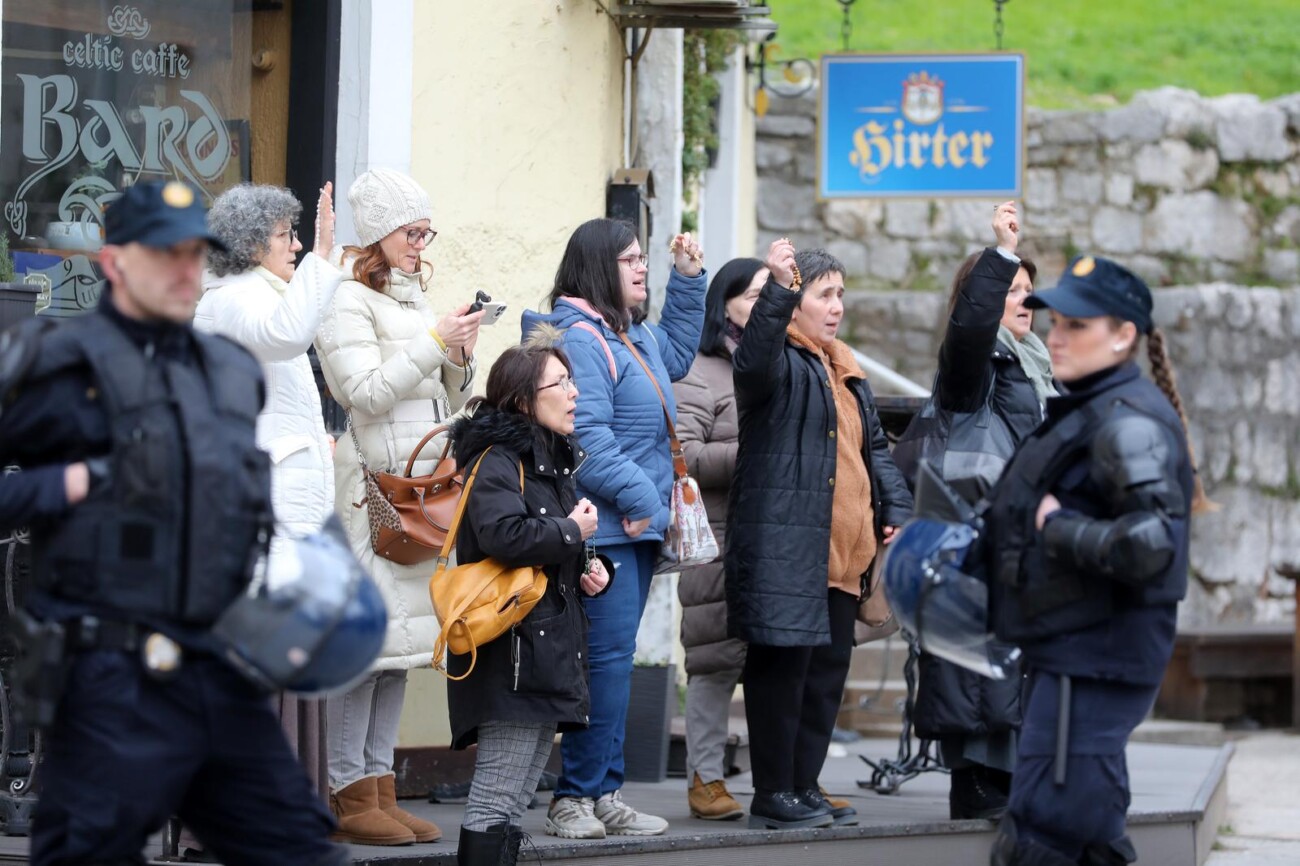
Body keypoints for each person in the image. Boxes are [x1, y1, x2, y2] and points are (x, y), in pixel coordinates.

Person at [0, 180, 347, 865]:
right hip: (109, 678)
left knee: (301, 851)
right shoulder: (59, 368)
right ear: (115, 263)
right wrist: (69, 481)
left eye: (196, 253)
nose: (186, 270)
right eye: (166, 254)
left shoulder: (226, 370)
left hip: (215, 665)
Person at [981, 255, 1213, 866]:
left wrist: (1057, 526)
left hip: (1097, 657)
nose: (1056, 334)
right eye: (1055, 320)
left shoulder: (1127, 421)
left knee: (1046, 832)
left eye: (1077, 325)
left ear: (1123, 335)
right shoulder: (1089, 405)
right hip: (1071, 649)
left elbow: (1151, 544)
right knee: (1081, 832)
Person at [520, 218, 706, 839]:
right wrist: (643, 498)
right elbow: (587, 437)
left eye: (642, 259)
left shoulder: (626, 334)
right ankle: (573, 798)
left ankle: (605, 794)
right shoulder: (579, 337)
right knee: (601, 665)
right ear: (599, 267)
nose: (641, 267)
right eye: (629, 260)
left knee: (613, 664)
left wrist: (687, 281)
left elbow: (678, 356)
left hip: (635, 524)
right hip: (609, 529)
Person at [315, 168, 482, 846]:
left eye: (424, 232)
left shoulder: (409, 297)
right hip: (374, 496)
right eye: (412, 232)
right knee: (367, 649)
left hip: (418, 489)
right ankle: (348, 792)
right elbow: (364, 391)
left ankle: (378, 782)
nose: (421, 243)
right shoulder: (344, 299)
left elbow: (437, 392)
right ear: (379, 234)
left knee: (403, 647)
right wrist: (434, 342)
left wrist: (461, 355)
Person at [727, 242, 913, 830]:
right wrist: (776, 289)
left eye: (840, 295)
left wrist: (897, 508)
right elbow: (751, 359)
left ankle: (804, 786)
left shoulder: (845, 367)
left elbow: (874, 451)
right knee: (782, 673)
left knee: (826, 674)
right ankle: (772, 791)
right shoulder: (775, 362)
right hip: (788, 550)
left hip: (843, 554)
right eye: (823, 294)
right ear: (795, 302)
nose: (836, 307)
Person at [195, 181, 343, 799]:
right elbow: (288, 332)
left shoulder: (255, 295)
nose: (298, 243)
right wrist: (325, 259)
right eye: (288, 235)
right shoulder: (231, 300)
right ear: (253, 244)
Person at [446, 331, 615, 865]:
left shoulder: (549, 460)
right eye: (560, 383)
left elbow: (557, 543)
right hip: (513, 654)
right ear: (523, 400)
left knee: (515, 800)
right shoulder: (497, 460)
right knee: (496, 798)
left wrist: (596, 566)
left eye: (572, 381)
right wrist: (572, 531)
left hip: (546, 652)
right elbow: (503, 536)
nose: (573, 393)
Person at [910, 201, 1052, 820]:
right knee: (977, 662)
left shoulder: (1038, 364)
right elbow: (969, 330)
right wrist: (1000, 252)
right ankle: (971, 782)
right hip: (976, 531)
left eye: (1029, 290)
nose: (1025, 301)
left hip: (1026, 535)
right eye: (1012, 290)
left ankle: (1009, 777)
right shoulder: (974, 366)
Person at [671, 257, 766, 821]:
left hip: (773, 538)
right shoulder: (700, 370)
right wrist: (758, 452)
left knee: (777, 664)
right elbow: (684, 455)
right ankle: (705, 779)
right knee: (715, 663)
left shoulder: (778, 362)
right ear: (723, 303)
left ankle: (785, 779)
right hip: (719, 539)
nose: (762, 305)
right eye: (753, 295)